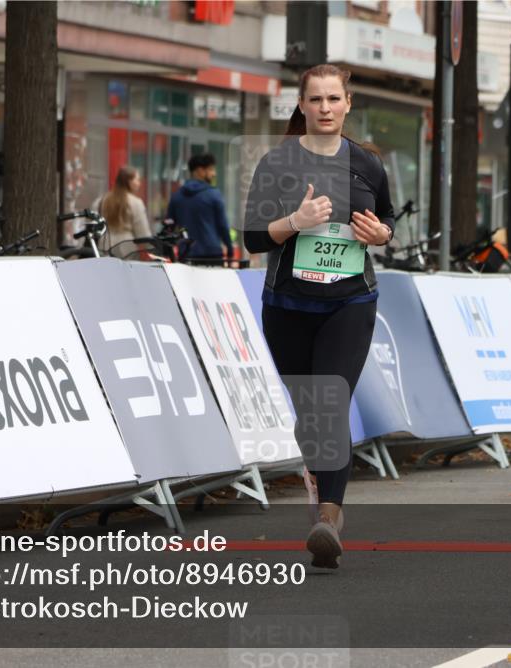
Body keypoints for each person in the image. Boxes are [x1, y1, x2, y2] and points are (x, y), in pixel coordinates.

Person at [243, 64, 395, 569]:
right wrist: (295, 221)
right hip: (288, 306)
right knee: (312, 416)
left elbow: (387, 218)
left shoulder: (368, 164)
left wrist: (382, 235)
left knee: (330, 405)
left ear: (348, 104)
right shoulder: (277, 163)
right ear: (302, 105)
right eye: (316, 99)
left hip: (350, 303)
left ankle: (329, 518)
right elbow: (252, 237)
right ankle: (319, 472)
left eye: (334, 99)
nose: (325, 108)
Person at [166, 153, 234, 264]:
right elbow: (223, 226)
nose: (214, 174)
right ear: (200, 171)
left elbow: (169, 227)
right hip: (212, 255)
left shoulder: (176, 196)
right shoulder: (214, 194)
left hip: (185, 255)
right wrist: (230, 250)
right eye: (211, 169)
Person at [92, 165, 151, 257]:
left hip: (103, 247)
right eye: (137, 180)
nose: (139, 183)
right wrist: (152, 248)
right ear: (129, 182)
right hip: (127, 249)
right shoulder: (136, 203)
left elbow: (92, 226)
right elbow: (143, 234)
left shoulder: (100, 201)